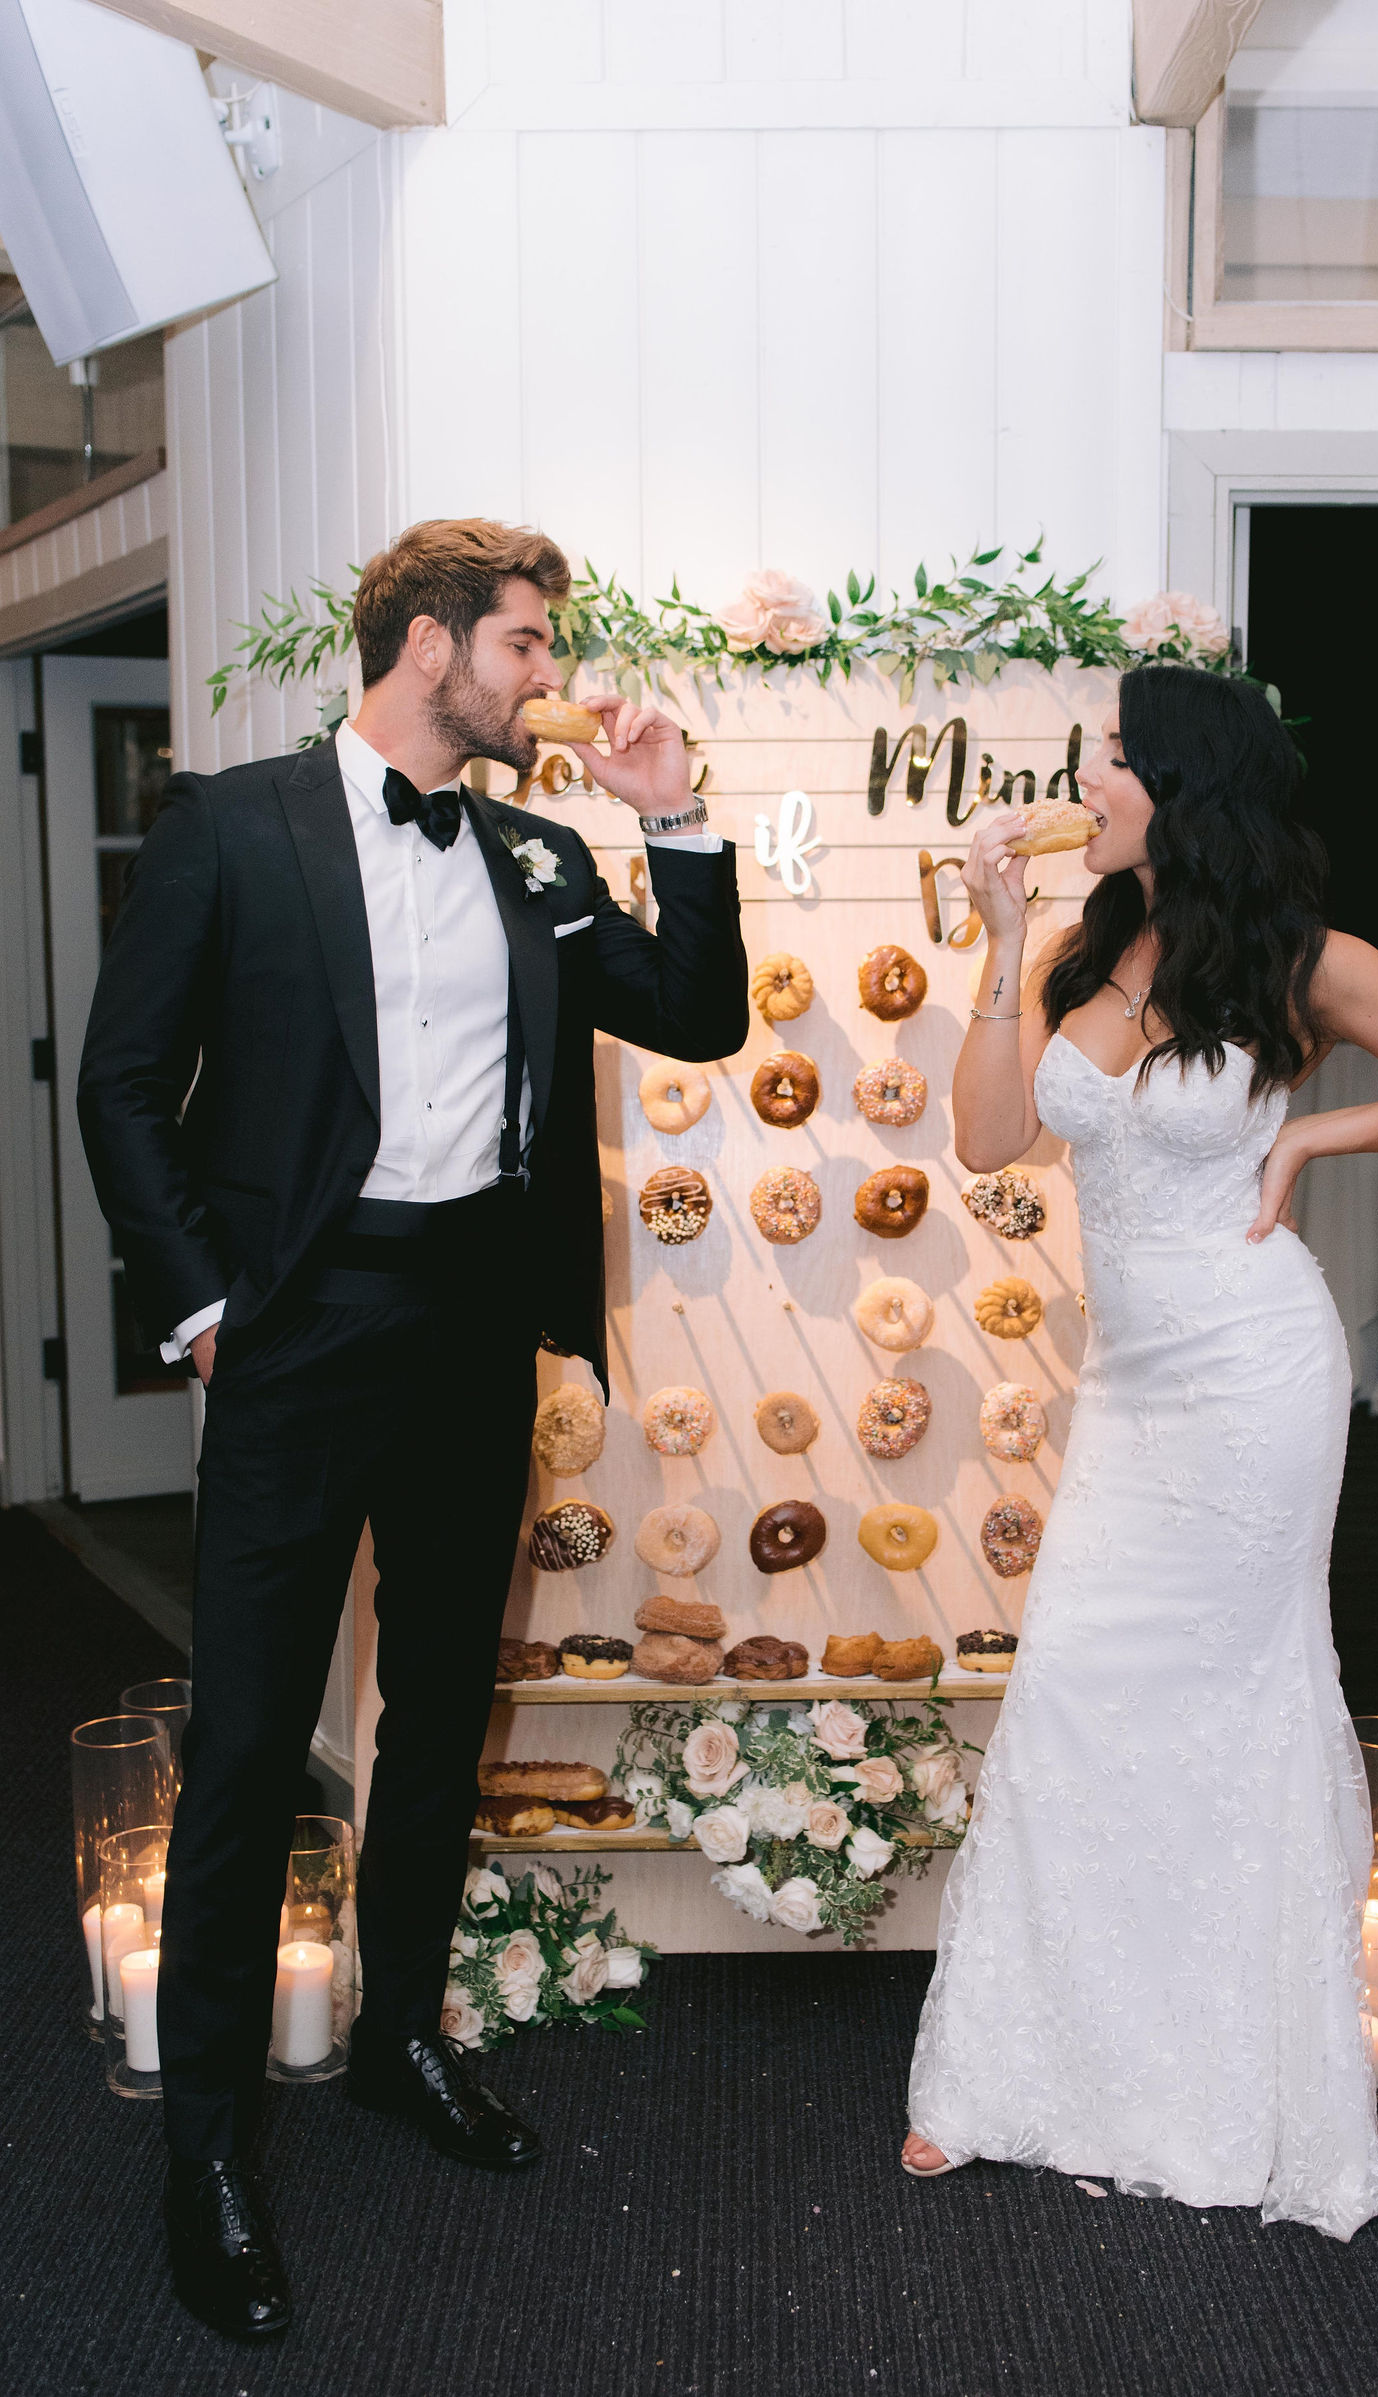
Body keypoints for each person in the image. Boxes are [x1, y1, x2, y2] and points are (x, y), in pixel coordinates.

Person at [77, 517, 748, 2338]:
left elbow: (691, 1011)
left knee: (441, 1714)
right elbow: (123, 1083)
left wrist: (671, 818)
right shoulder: (236, 824)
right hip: (296, 1338)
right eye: (524, 644)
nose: (545, 675)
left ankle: (395, 2040)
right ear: (431, 639)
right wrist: (206, 1309)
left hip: (472, 1342)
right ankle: (206, 2150)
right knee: (244, 1752)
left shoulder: (534, 850)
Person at [900, 663, 1378, 2239]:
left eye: (1113, 760)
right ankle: (1018, 2068)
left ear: (1183, 791)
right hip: (1130, 1389)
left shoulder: (1305, 961)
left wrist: (1312, 1130)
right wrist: (990, 941)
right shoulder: (1082, 950)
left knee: (1238, 1712)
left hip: (1255, 1376)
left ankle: (1231, 2068)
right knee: (1080, 1695)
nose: (1091, 781)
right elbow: (985, 1140)